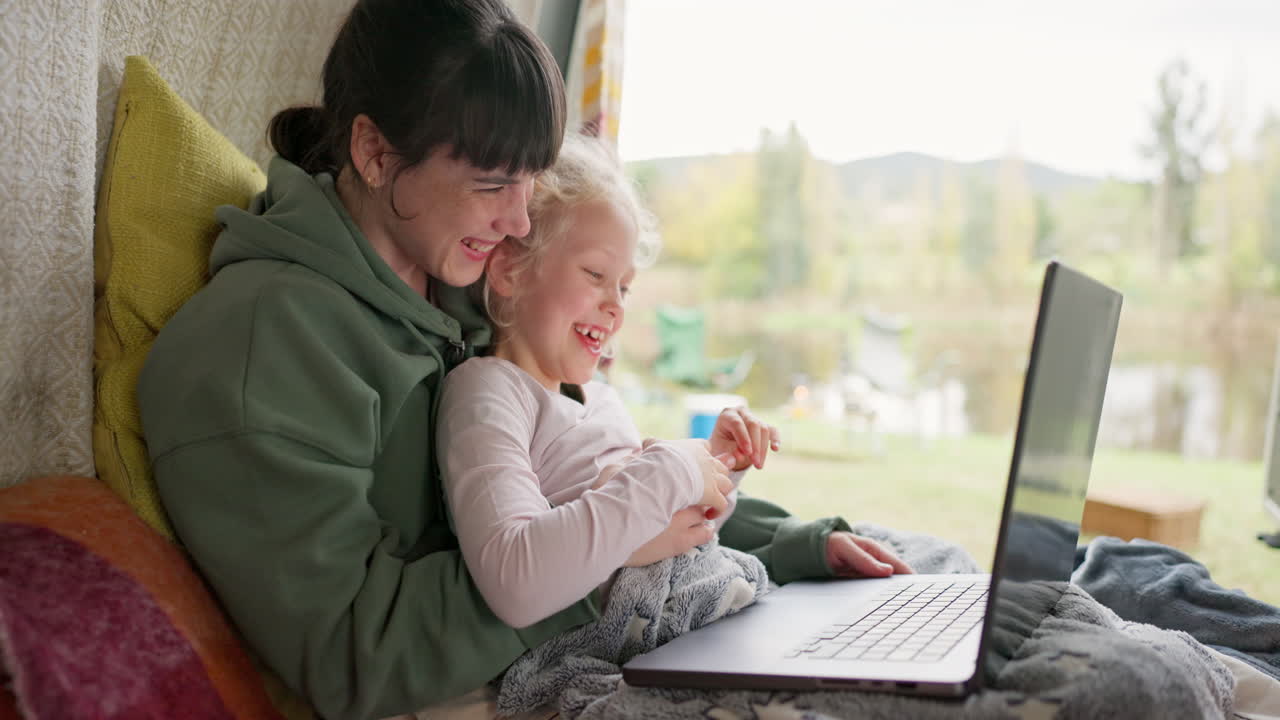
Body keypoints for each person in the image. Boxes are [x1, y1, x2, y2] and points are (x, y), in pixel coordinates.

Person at [137, 1, 909, 718]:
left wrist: (794, 545)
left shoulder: (457, 284)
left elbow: (592, 468)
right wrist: (610, 558)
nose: (518, 220)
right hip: (513, 675)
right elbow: (354, 656)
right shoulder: (262, 347)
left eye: (531, 182)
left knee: (921, 596)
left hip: (617, 609)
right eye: (493, 184)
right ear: (373, 151)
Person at [438, 135, 790, 628]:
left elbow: (668, 530)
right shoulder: (488, 392)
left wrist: (716, 468)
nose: (617, 306)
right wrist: (670, 472)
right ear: (509, 269)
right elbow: (517, 581)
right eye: (595, 274)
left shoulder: (601, 401)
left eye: (624, 287)